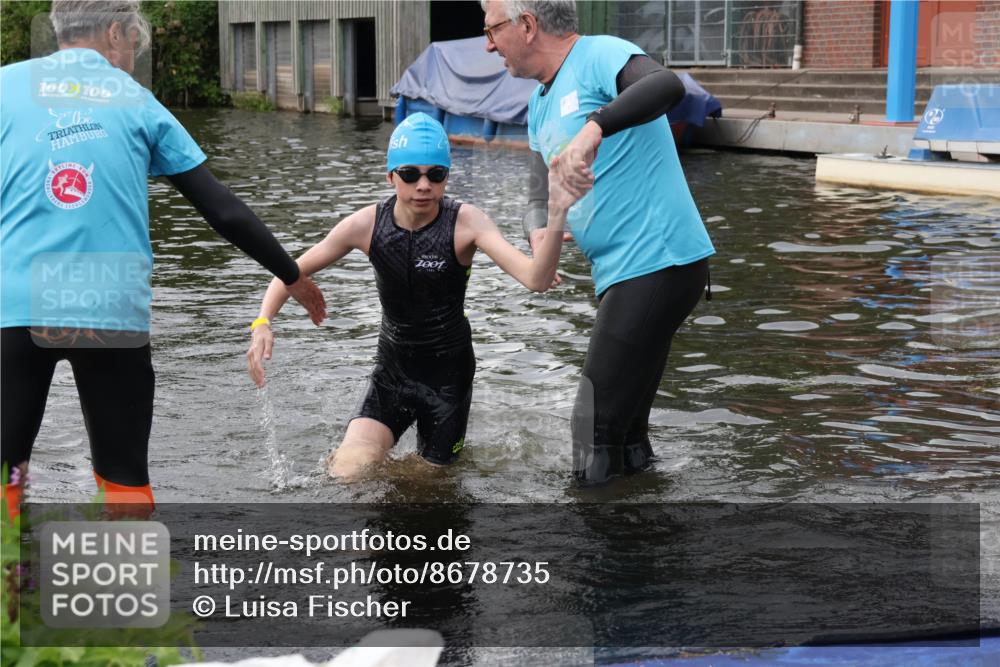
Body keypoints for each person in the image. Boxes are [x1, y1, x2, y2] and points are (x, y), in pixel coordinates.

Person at [0, 0, 326, 514]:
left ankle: (9, 591)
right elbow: (223, 211)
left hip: (13, 305)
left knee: (6, 476)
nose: (133, 55)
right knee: (124, 480)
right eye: (134, 42)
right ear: (114, 33)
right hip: (108, 306)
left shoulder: (4, 87)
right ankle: (121, 590)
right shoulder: (135, 101)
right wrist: (294, 276)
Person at [246, 112, 586, 479]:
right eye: (410, 174)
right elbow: (289, 272)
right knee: (348, 472)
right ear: (391, 176)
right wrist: (263, 322)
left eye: (435, 174)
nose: (423, 185)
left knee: (428, 488)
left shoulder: (466, 222)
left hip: (448, 381)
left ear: (446, 178)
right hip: (392, 372)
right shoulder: (366, 224)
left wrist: (556, 213)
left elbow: (536, 278)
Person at [482, 0, 716, 484]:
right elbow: (536, 189)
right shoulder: (539, 103)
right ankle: (641, 538)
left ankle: (590, 550)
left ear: (527, 26)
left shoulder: (598, 55)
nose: (488, 44)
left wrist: (595, 128)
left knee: (592, 426)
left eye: (492, 30)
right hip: (628, 273)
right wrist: (535, 227)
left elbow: (666, 86)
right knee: (623, 429)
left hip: (658, 260)